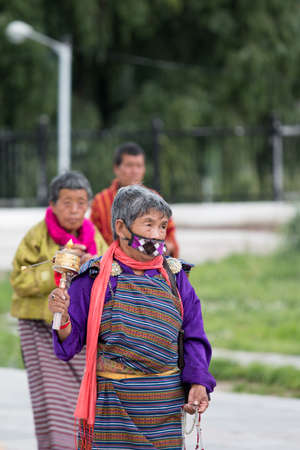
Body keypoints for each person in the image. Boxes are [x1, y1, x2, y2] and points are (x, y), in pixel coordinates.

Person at [49, 184, 215, 449]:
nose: (157, 235)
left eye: (162, 226)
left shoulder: (175, 276)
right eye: (148, 225)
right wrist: (63, 318)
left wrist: (198, 382)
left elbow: (194, 335)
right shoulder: (93, 277)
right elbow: (70, 345)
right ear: (122, 227)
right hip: (113, 411)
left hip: (165, 410)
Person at [10, 171, 107, 450]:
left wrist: (92, 266)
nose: (75, 210)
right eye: (67, 203)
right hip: (40, 328)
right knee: (51, 396)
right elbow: (19, 279)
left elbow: (107, 274)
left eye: (81, 202)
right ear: (52, 204)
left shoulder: (93, 236)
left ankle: (83, 444)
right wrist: (53, 272)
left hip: (77, 331)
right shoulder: (37, 236)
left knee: (85, 394)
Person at [90, 141, 180, 257]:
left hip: (149, 266)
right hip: (111, 265)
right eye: (129, 165)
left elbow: (170, 237)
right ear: (116, 168)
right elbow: (92, 239)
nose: (135, 171)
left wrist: (160, 248)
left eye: (139, 166)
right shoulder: (100, 201)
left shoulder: (155, 198)